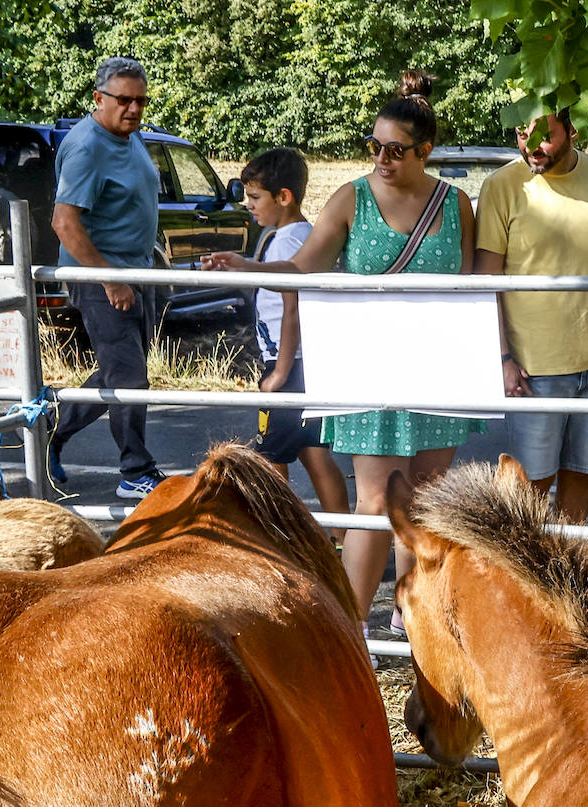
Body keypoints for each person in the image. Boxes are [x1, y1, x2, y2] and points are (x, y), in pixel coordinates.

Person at [203, 69, 484, 638]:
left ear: (424, 152)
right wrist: (248, 266)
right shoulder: (351, 197)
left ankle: (415, 619)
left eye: (395, 150)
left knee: (425, 502)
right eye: (374, 146)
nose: (381, 158)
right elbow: (304, 266)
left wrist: (494, 358)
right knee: (375, 500)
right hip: (370, 363)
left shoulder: (455, 205)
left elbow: (470, 285)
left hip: (437, 363)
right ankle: (348, 630)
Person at [473, 110, 588, 523]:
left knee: (580, 477)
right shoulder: (502, 186)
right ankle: (514, 578)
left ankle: (567, 577)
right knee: (526, 490)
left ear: (572, 131)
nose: (530, 147)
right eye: (521, 135)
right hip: (534, 371)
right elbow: (486, 282)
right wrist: (503, 359)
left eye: (544, 137)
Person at [212, 147, 350, 538]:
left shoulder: (289, 242)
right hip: (305, 364)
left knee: (270, 456)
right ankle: (341, 538)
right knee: (314, 451)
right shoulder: (302, 236)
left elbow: (294, 310)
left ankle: (282, 537)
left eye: (255, 198)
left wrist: (280, 372)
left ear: (283, 197)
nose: (248, 205)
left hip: (288, 365)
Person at [47, 56, 166, 499]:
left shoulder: (128, 138)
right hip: (102, 278)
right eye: (123, 100)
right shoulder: (88, 146)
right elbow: (64, 222)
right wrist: (109, 279)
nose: (134, 109)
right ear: (99, 98)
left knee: (121, 374)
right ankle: (136, 471)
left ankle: (48, 430)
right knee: (129, 378)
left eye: (140, 100)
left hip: (138, 273)